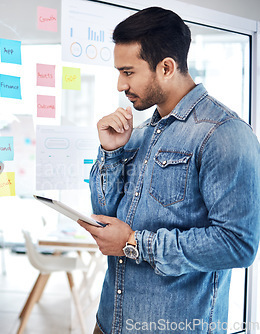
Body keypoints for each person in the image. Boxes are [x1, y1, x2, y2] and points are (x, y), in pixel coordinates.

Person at [78, 7, 260, 334]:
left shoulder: (224, 134)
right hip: (109, 323)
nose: (121, 84)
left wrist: (134, 242)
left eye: (128, 72)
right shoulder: (140, 131)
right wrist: (111, 152)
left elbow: (238, 244)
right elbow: (105, 214)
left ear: (166, 67)